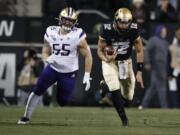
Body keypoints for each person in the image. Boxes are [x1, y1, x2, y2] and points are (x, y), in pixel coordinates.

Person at [17, 7, 93, 124]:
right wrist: (47, 60)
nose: (67, 22)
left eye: (70, 20)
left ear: (75, 23)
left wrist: (87, 75)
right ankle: (26, 117)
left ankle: (59, 87)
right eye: (65, 19)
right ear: (60, 19)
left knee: (62, 102)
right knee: (38, 89)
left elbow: (88, 55)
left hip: (68, 73)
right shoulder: (50, 31)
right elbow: (45, 52)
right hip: (53, 69)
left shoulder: (78, 35)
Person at [97, 8, 144, 127]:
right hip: (110, 62)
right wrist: (106, 59)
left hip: (125, 62)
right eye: (121, 22)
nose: (124, 25)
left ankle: (105, 87)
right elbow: (99, 50)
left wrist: (139, 71)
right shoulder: (107, 29)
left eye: (126, 22)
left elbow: (139, 50)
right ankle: (124, 120)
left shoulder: (134, 29)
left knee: (128, 97)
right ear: (116, 21)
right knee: (115, 88)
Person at [139, 25, 169, 109]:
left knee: (153, 87)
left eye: (165, 32)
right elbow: (147, 51)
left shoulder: (165, 42)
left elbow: (166, 57)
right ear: (159, 31)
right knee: (162, 87)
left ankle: (143, 105)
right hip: (156, 65)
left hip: (163, 67)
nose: (165, 33)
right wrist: (147, 62)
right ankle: (164, 106)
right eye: (163, 31)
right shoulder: (153, 40)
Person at [168, 28, 180, 108]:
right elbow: (169, 60)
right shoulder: (172, 47)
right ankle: (175, 107)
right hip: (174, 71)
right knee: (173, 90)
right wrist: (169, 73)